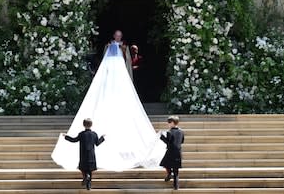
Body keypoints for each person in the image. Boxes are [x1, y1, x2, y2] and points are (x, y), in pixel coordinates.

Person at [51, 30, 165, 171]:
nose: (118, 37)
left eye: (119, 35)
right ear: (114, 36)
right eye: (116, 35)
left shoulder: (124, 46)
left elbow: (127, 59)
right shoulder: (108, 46)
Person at [64, 118, 105, 190]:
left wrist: (66, 136)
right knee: (90, 169)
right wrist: (102, 137)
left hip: (83, 154)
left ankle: (85, 177)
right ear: (91, 125)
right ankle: (88, 185)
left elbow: (74, 140)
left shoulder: (81, 134)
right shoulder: (94, 134)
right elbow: (97, 143)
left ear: (83, 125)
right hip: (91, 154)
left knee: (83, 168)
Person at [160, 115, 184, 190]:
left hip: (170, 151)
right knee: (176, 170)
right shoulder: (181, 131)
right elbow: (182, 141)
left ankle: (169, 174)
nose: (168, 124)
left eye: (169, 122)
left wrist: (162, 137)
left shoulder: (169, 132)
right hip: (178, 152)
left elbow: (168, 143)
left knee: (165, 164)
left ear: (173, 123)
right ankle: (176, 186)